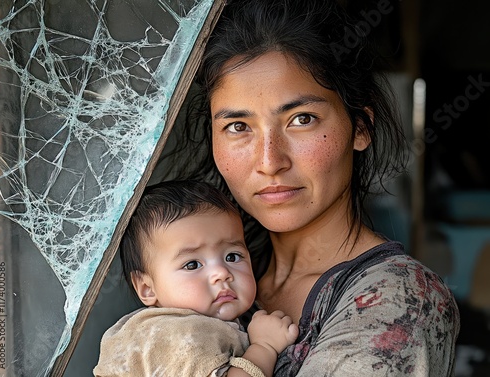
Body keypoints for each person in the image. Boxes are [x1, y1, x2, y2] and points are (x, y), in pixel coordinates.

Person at [161, 0, 461, 375]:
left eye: (301, 119)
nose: (270, 161)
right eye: (238, 126)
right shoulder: (202, 278)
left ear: (361, 128)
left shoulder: (399, 298)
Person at [93, 180, 299, 377]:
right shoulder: (174, 337)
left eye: (232, 257)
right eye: (192, 265)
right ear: (147, 288)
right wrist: (265, 346)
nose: (222, 273)